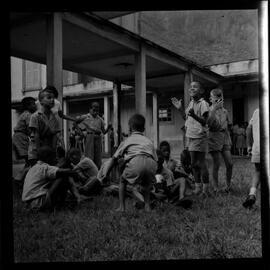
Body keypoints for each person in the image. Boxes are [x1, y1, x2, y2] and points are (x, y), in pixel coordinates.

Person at [99, 114, 158, 212]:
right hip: (151, 163)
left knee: (122, 180)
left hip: (136, 161)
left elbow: (114, 159)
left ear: (130, 128)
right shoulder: (149, 141)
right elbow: (155, 158)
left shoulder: (127, 140)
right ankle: (147, 206)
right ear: (143, 129)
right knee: (146, 184)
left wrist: (106, 174)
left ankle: (122, 207)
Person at [171, 81, 210, 197]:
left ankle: (205, 190)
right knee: (193, 164)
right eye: (190, 87)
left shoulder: (203, 103)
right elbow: (186, 117)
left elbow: (205, 121)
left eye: (195, 87)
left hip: (199, 136)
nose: (192, 88)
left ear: (201, 91)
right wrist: (179, 108)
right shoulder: (191, 103)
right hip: (191, 136)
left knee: (201, 163)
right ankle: (198, 187)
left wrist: (193, 115)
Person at [22, 146, 82, 211]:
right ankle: (62, 203)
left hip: (28, 203)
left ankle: (76, 198)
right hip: (39, 202)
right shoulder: (45, 167)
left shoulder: (33, 168)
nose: (55, 159)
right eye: (54, 157)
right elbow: (66, 171)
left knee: (57, 177)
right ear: (47, 157)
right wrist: (75, 174)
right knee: (63, 176)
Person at [207, 88, 233, 193]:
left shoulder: (225, 111)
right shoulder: (209, 110)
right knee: (216, 164)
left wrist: (229, 138)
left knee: (230, 163)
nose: (219, 101)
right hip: (214, 137)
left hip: (224, 137)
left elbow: (227, 126)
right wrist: (214, 109)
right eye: (216, 99)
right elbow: (208, 123)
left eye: (220, 98)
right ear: (211, 99)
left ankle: (228, 185)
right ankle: (216, 188)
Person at [28, 87, 60, 165]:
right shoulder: (35, 116)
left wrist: (53, 152)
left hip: (48, 152)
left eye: (53, 98)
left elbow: (55, 136)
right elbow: (36, 135)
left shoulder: (55, 118)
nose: (52, 100)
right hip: (36, 152)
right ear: (41, 101)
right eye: (49, 97)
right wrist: (39, 153)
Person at [76, 102, 112, 169]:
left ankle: (97, 171)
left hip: (98, 138)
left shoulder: (100, 119)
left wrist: (108, 128)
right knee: (89, 156)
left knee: (98, 157)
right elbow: (75, 123)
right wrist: (80, 132)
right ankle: (89, 171)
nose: (95, 112)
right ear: (90, 109)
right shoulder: (86, 117)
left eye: (97, 111)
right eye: (94, 110)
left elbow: (104, 132)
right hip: (89, 137)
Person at [12, 97, 37, 183]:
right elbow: (31, 130)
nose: (35, 105)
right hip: (21, 137)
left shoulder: (25, 114)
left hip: (20, 137)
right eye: (33, 104)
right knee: (31, 160)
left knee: (30, 160)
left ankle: (20, 179)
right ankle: (18, 180)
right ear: (28, 106)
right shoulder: (28, 115)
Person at [242, 108, 260, 209]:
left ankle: (252, 194)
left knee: (258, 171)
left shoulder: (257, 111)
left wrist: (249, 146)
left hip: (257, 148)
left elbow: (249, 128)